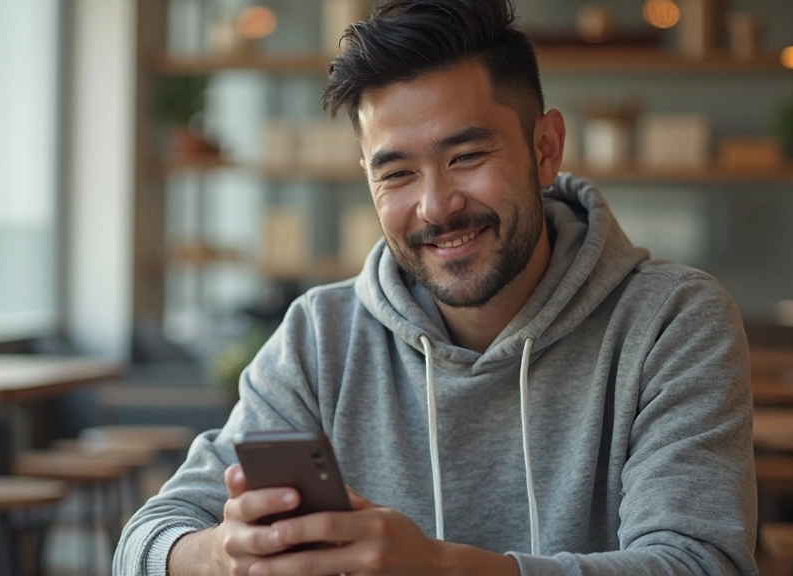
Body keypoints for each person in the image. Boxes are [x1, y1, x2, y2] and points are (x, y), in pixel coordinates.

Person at [114, 0, 758, 574]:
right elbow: (141, 545)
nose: (435, 207)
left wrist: (443, 569)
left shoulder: (671, 319)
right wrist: (223, 555)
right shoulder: (321, 335)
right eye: (396, 173)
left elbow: (699, 563)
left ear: (545, 149)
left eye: (467, 157)